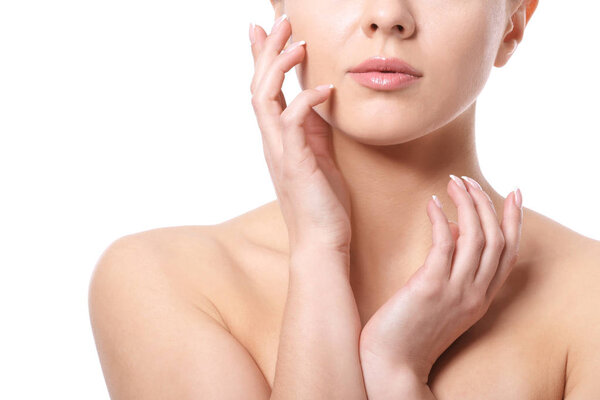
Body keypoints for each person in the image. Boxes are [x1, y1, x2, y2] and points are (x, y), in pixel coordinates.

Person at [88, 0, 600, 398]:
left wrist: (396, 375)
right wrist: (317, 254)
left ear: (512, 24)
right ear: (280, 5)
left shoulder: (589, 298)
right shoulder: (159, 281)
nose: (387, 16)